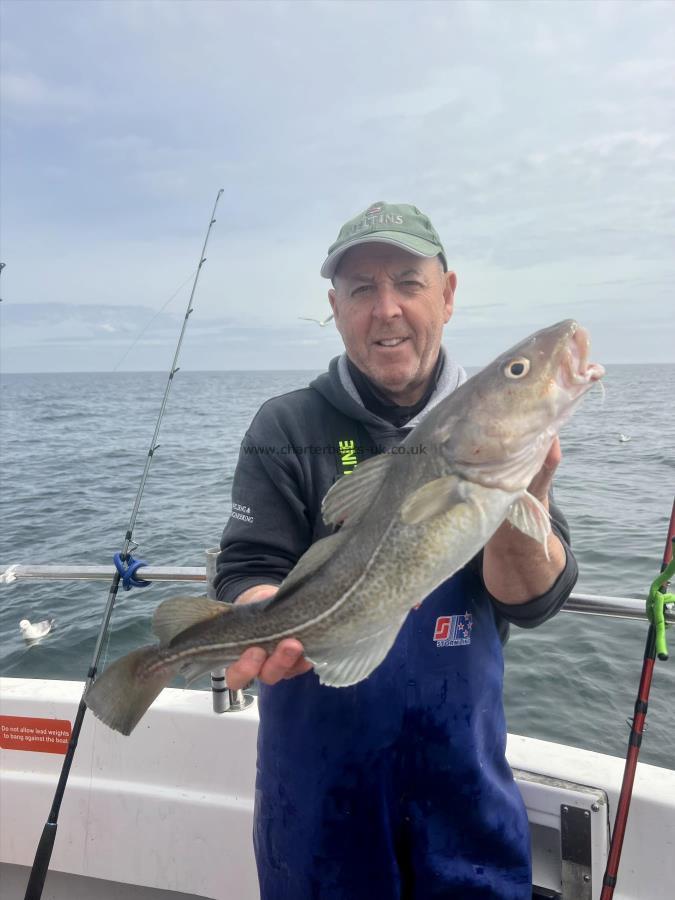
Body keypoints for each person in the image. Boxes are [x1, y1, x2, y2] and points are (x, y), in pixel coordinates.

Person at [214, 201, 577, 899]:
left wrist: (507, 495)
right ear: (334, 307)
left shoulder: (492, 432)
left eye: (408, 283)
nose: (386, 309)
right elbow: (246, 568)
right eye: (360, 290)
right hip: (317, 783)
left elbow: (532, 601)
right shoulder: (286, 424)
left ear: (447, 293)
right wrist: (264, 621)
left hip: (462, 778)